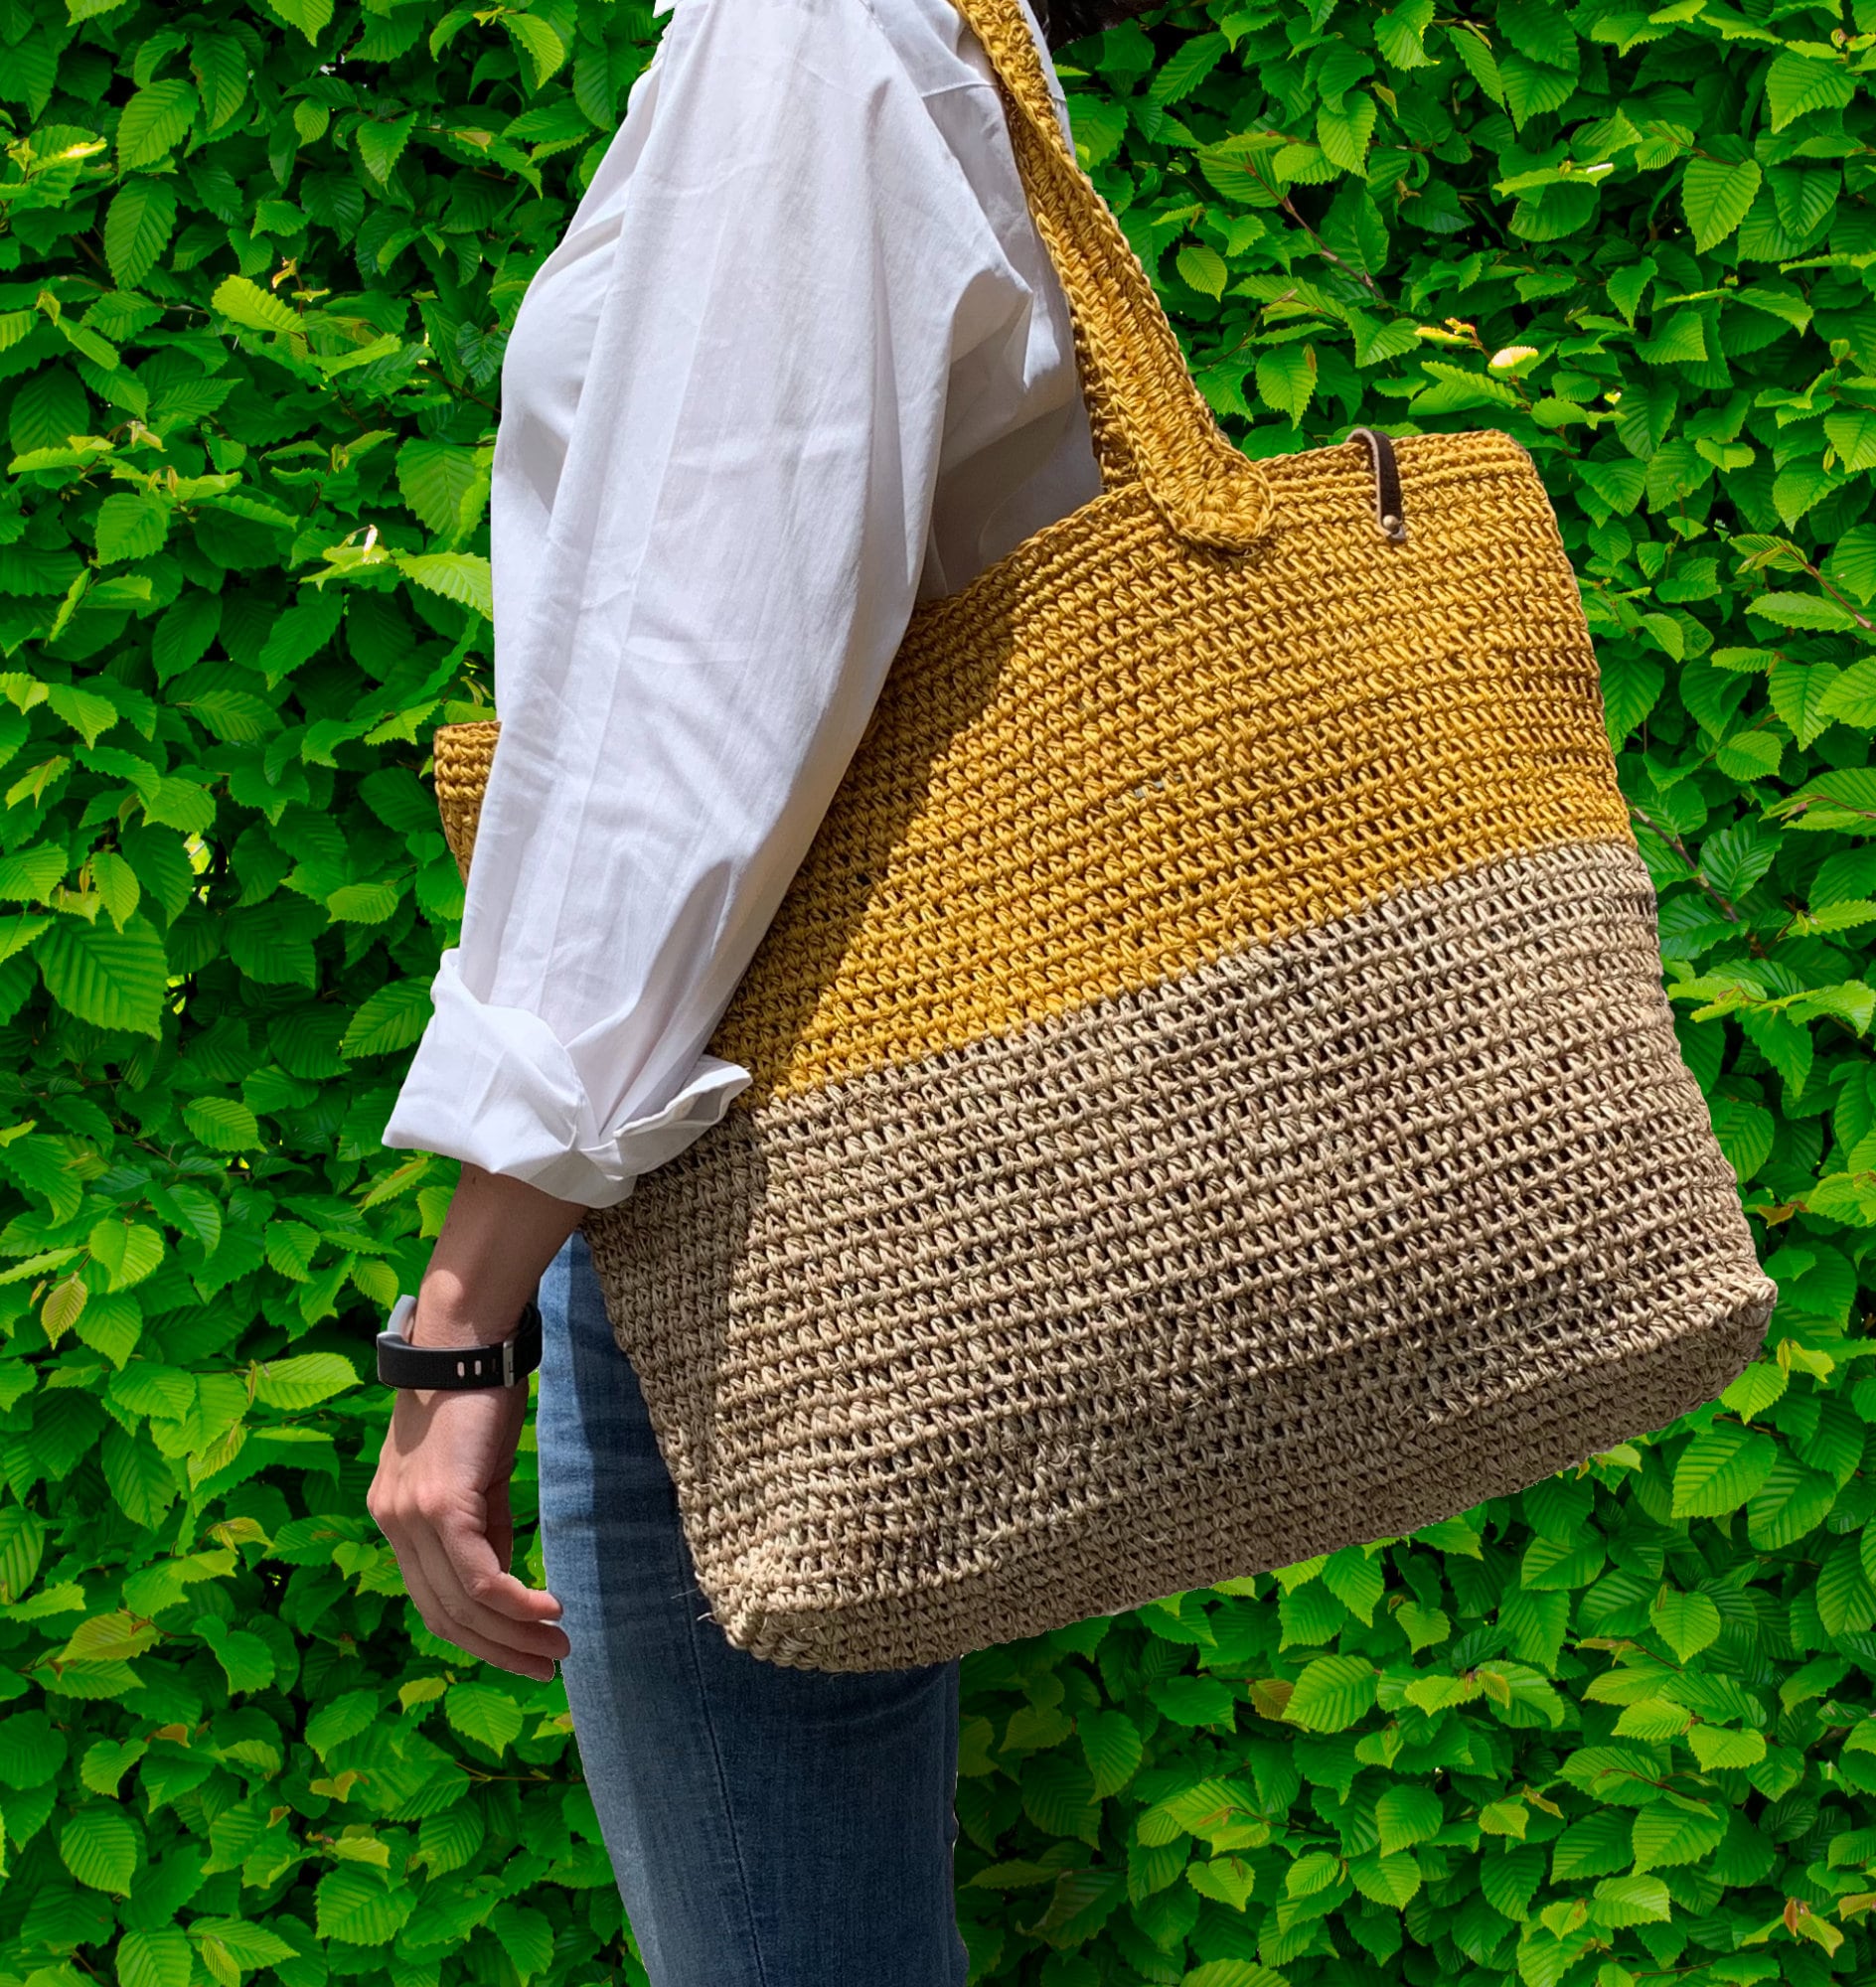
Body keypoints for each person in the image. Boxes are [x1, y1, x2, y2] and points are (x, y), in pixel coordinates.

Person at [365, 0, 1164, 1977]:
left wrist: (460, 1316)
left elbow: (683, 728)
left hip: (738, 1210)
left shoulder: (811, 27)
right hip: (852, 1169)